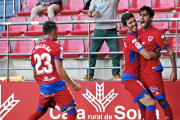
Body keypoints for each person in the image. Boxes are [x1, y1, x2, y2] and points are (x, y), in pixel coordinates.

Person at [28, 21, 81, 120]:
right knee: (71, 112)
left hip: (43, 86)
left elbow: (35, 74)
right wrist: (74, 85)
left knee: (39, 111)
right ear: (53, 31)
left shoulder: (35, 49)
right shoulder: (57, 47)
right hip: (57, 85)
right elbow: (59, 70)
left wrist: (43, 86)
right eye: (57, 30)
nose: (58, 33)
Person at [138, 6, 177, 120]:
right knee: (142, 101)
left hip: (152, 72)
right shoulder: (137, 33)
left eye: (145, 15)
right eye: (140, 15)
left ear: (151, 18)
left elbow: (170, 50)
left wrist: (174, 71)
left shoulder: (157, 33)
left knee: (160, 99)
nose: (142, 18)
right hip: (140, 73)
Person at [121, 13, 162, 120]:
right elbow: (147, 55)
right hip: (130, 79)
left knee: (143, 106)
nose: (134, 23)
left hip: (132, 77)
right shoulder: (132, 39)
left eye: (134, 21)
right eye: (130, 23)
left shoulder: (132, 37)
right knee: (151, 103)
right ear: (125, 27)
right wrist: (158, 54)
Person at [82, 0, 121, 80]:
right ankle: (89, 73)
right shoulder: (94, 1)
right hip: (98, 29)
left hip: (112, 30)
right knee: (92, 52)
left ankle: (116, 74)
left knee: (116, 53)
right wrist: (92, 14)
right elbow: (89, 13)